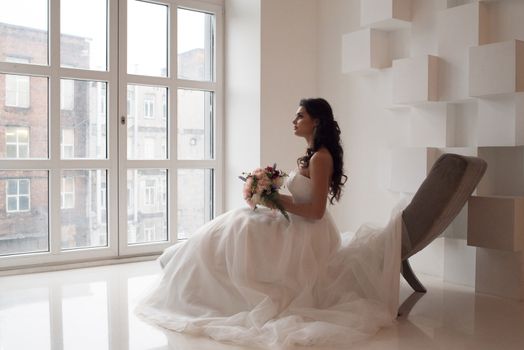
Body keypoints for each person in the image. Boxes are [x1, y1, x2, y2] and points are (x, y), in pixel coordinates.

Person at [135, 98, 403, 348]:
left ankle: (196, 277)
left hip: (309, 233)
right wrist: (269, 198)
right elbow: (303, 199)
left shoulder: (321, 158)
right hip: (299, 224)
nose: (294, 121)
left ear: (316, 122)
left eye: (300, 116)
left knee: (240, 225)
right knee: (239, 221)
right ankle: (186, 266)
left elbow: (317, 211)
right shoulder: (313, 154)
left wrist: (273, 200)